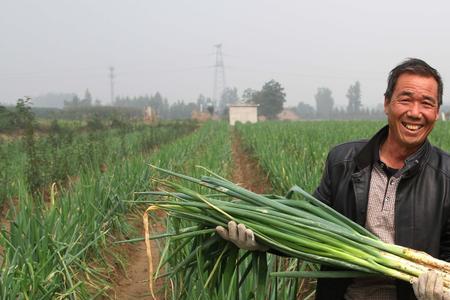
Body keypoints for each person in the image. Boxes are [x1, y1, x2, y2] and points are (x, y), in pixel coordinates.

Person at [216, 58, 450, 300]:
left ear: (436, 111)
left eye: (426, 103)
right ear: (386, 103)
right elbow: (306, 226)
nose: (415, 112)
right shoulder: (344, 162)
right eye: (405, 99)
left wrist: (438, 290)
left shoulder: (446, 177)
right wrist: (262, 238)